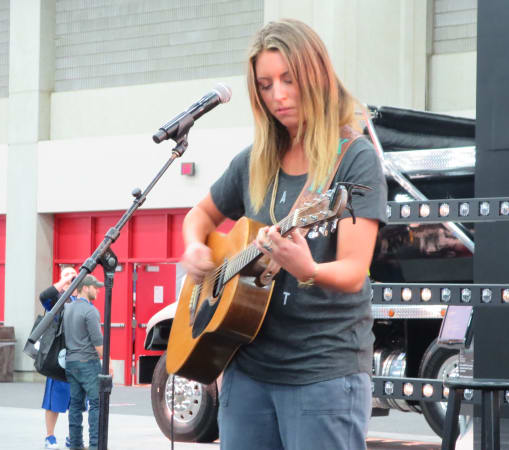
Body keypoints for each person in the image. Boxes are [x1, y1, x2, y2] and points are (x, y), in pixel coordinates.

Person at [180, 19, 387, 450]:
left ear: (316, 75)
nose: (278, 95)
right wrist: (196, 246)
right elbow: (199, 215)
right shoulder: (254, 160)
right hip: (246, 369)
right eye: (266, 84)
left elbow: (353, 271)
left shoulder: (353, 159)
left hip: (322, 374)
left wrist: (309, 269)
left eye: (288, 79)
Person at [63, 274, 104, 450]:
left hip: (71, 363)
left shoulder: (67, 309)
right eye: (95, 287)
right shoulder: (90, 311)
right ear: (85, 288)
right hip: (88, 362)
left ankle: (76, 444)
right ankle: (95, 445)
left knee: (75, 405)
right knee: (96, 403)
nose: (98, 291)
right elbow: (98, 342)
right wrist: (108, 363)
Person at [39, 265, 77, 449]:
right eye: (67, 275)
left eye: (74, 275)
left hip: (77, 357)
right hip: (57, 357)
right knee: (53, 400)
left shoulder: (81, 300)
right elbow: (44, 297)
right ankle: (50, 436)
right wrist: (65, 282)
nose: (71, 278)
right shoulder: (56, 299)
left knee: (77, 400)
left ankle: (73, 435)